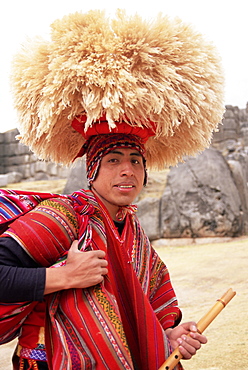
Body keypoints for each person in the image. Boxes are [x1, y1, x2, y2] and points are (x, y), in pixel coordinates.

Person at [0, 9, 225, 370]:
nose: (127, 170)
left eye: (136, 160)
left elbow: (146, 306)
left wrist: (168, 335)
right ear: (92, 171)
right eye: (113, 160)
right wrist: (64, 276)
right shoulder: (65, 216)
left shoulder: (132, 231)